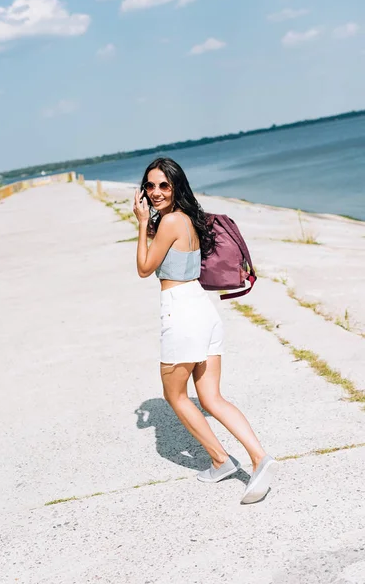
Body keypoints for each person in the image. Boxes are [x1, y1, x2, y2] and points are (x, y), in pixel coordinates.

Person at [132, 157, 278, 504]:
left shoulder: (169, 222)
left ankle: (220, 459)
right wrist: (148, 223)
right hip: (204, 310)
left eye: (163, 185)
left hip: (181, 314)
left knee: (175, 395)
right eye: (150, 185)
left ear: (176, 187)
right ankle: (257, 457)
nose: (155, 192)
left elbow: (143, 267)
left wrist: (140, 224)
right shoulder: (188, 220)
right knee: (212, 397)